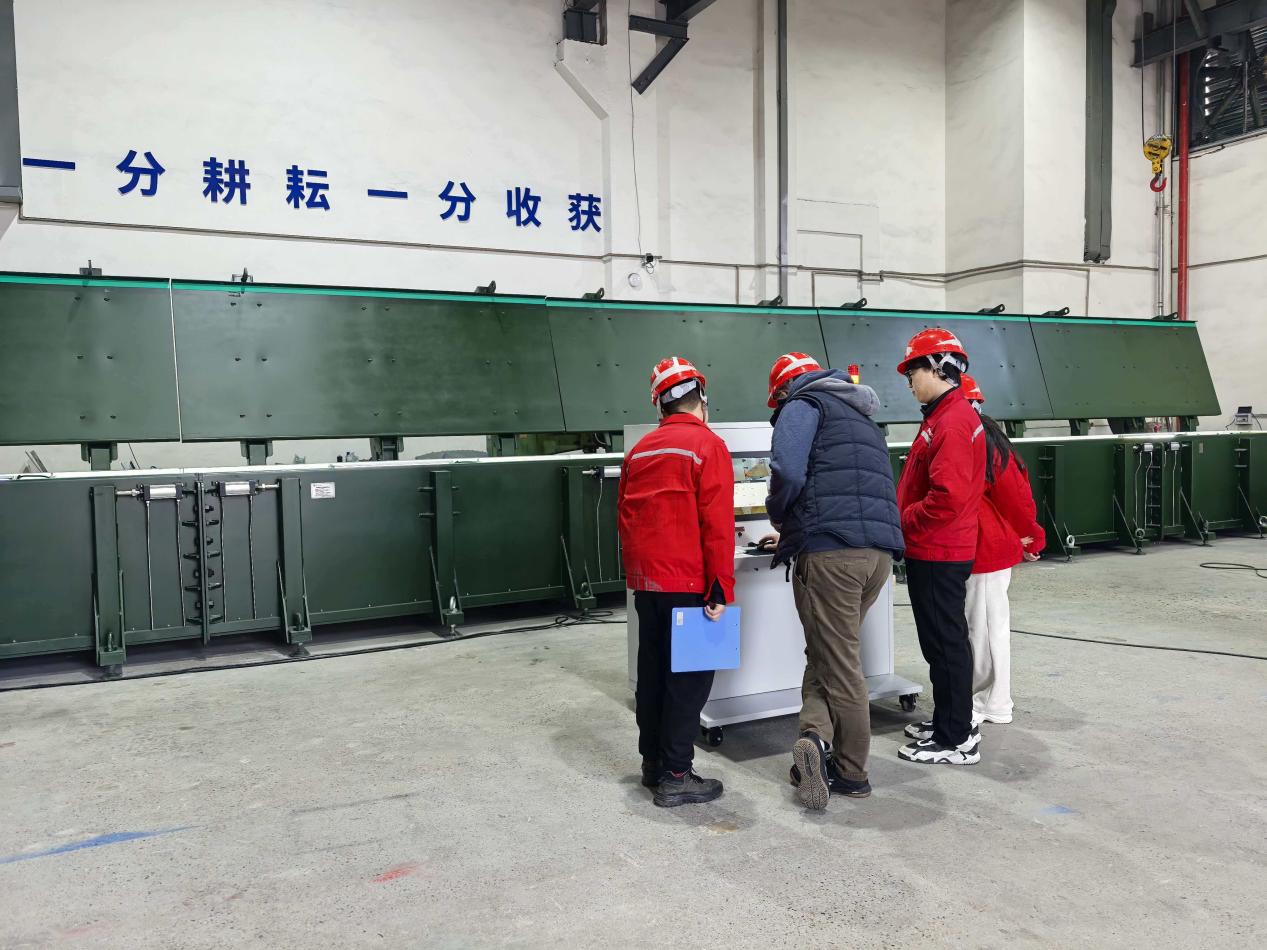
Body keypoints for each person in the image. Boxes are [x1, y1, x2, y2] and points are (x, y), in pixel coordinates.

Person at [762, 353, 905, 810]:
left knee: (840, 664)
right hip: (876, 556)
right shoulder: (863, 418)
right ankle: (814, 740)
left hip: (830, 554)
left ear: (784, 389)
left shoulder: (804, 404)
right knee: (827, 652)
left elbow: (788, 471)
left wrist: (779, 515)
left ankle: (851, 772)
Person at [618, 356, 735, 808]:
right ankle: (677, 775)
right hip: (690, 585)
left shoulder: (640, 450)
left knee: (653, 677)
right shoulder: (707, 445)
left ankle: (653, 764)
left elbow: (626, 519)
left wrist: (639, 575)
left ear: (660, 404)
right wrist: (720, 586)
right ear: (701, 397)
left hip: (648, 585)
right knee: (688, 684)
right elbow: (717, 524)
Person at [894, 328, 986, 765]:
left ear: (939, 368)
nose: (909, 382)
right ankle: (950, 719)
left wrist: (901, 520)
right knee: (940, 643)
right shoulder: (943, 416)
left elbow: (946, 498)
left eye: (912, 372)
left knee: (946, 644)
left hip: (938, 549)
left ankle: (956, 739)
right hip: (935, 547)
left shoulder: (951, 421)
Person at [959, 374, 1045, 725]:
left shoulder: (984, 441)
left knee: (985, 628)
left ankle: (990, 702)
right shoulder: (980, 436)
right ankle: (984, 697)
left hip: (985, 550)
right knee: (979, 627)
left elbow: (1016, 497)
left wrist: (1031, 537)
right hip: (972, 548)